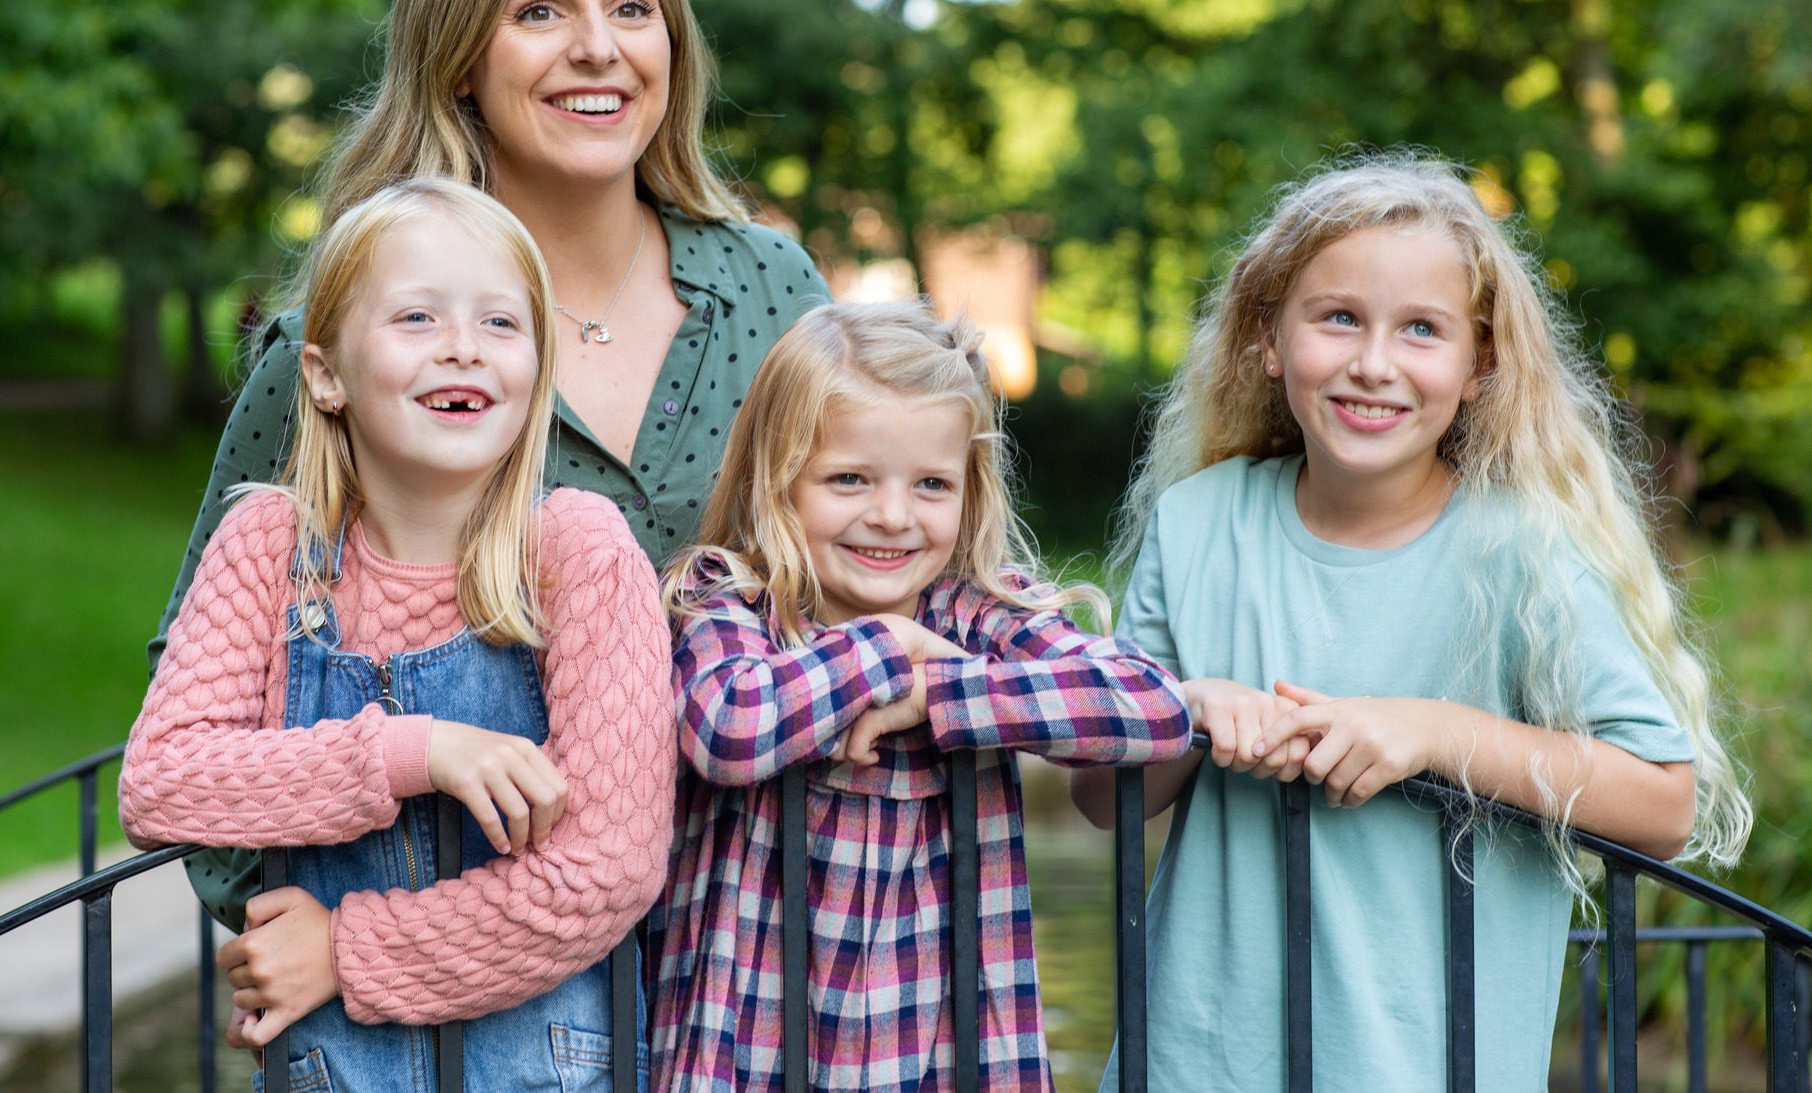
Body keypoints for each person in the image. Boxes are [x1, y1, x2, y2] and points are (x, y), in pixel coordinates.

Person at [146, 0, 830, 933]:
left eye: (630, 7)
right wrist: (306, 923)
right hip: (458, 992)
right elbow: (208, 663)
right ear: (460, 56)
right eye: (540, 9)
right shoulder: (343, 343)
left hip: (750, 960)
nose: (596, 48)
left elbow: (868, 572)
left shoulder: (775, 291)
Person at [1069, 152, 1750, 1091]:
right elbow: (1104, 800)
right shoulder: (1198, 522)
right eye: (1339, 316)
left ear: (1480, 366)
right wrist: (1184, 710)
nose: (1373, 362)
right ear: (1271, 339)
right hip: (1192, 1067)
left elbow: (1663, 805)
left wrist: (1432, 732)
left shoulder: (1526, 551)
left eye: (1421, 330)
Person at [120, 178, 673, 1090]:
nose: (463, 348)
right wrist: (415, 750)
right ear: (325, 373)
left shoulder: (578, 551)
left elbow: (606, 872)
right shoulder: (269, 545)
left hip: (546, 1069)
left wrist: (344, 950)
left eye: (501, 324)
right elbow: (161, 782)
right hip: (337, 1068)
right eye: (417, 317)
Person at [651, 301, 1191, 1091]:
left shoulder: (973, 613)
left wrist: (943, 688)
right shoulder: (730, 600)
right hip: (753, 1044)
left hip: (944, 1047)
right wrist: (888, 646)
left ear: (969, 492)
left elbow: (1154, 706)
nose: (893, 516)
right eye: (849, 479)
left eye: (931, 483)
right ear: (778, 476)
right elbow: (728, 727)